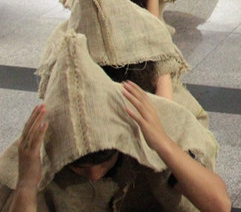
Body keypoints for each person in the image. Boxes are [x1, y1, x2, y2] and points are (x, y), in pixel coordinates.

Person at [0, 28, 228, 212]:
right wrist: (26, 185)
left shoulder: (139, 134)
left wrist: (163, 142)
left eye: (105, 163)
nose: (95, 175)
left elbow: (219, 205)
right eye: (81, 168)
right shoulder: (41, 153)